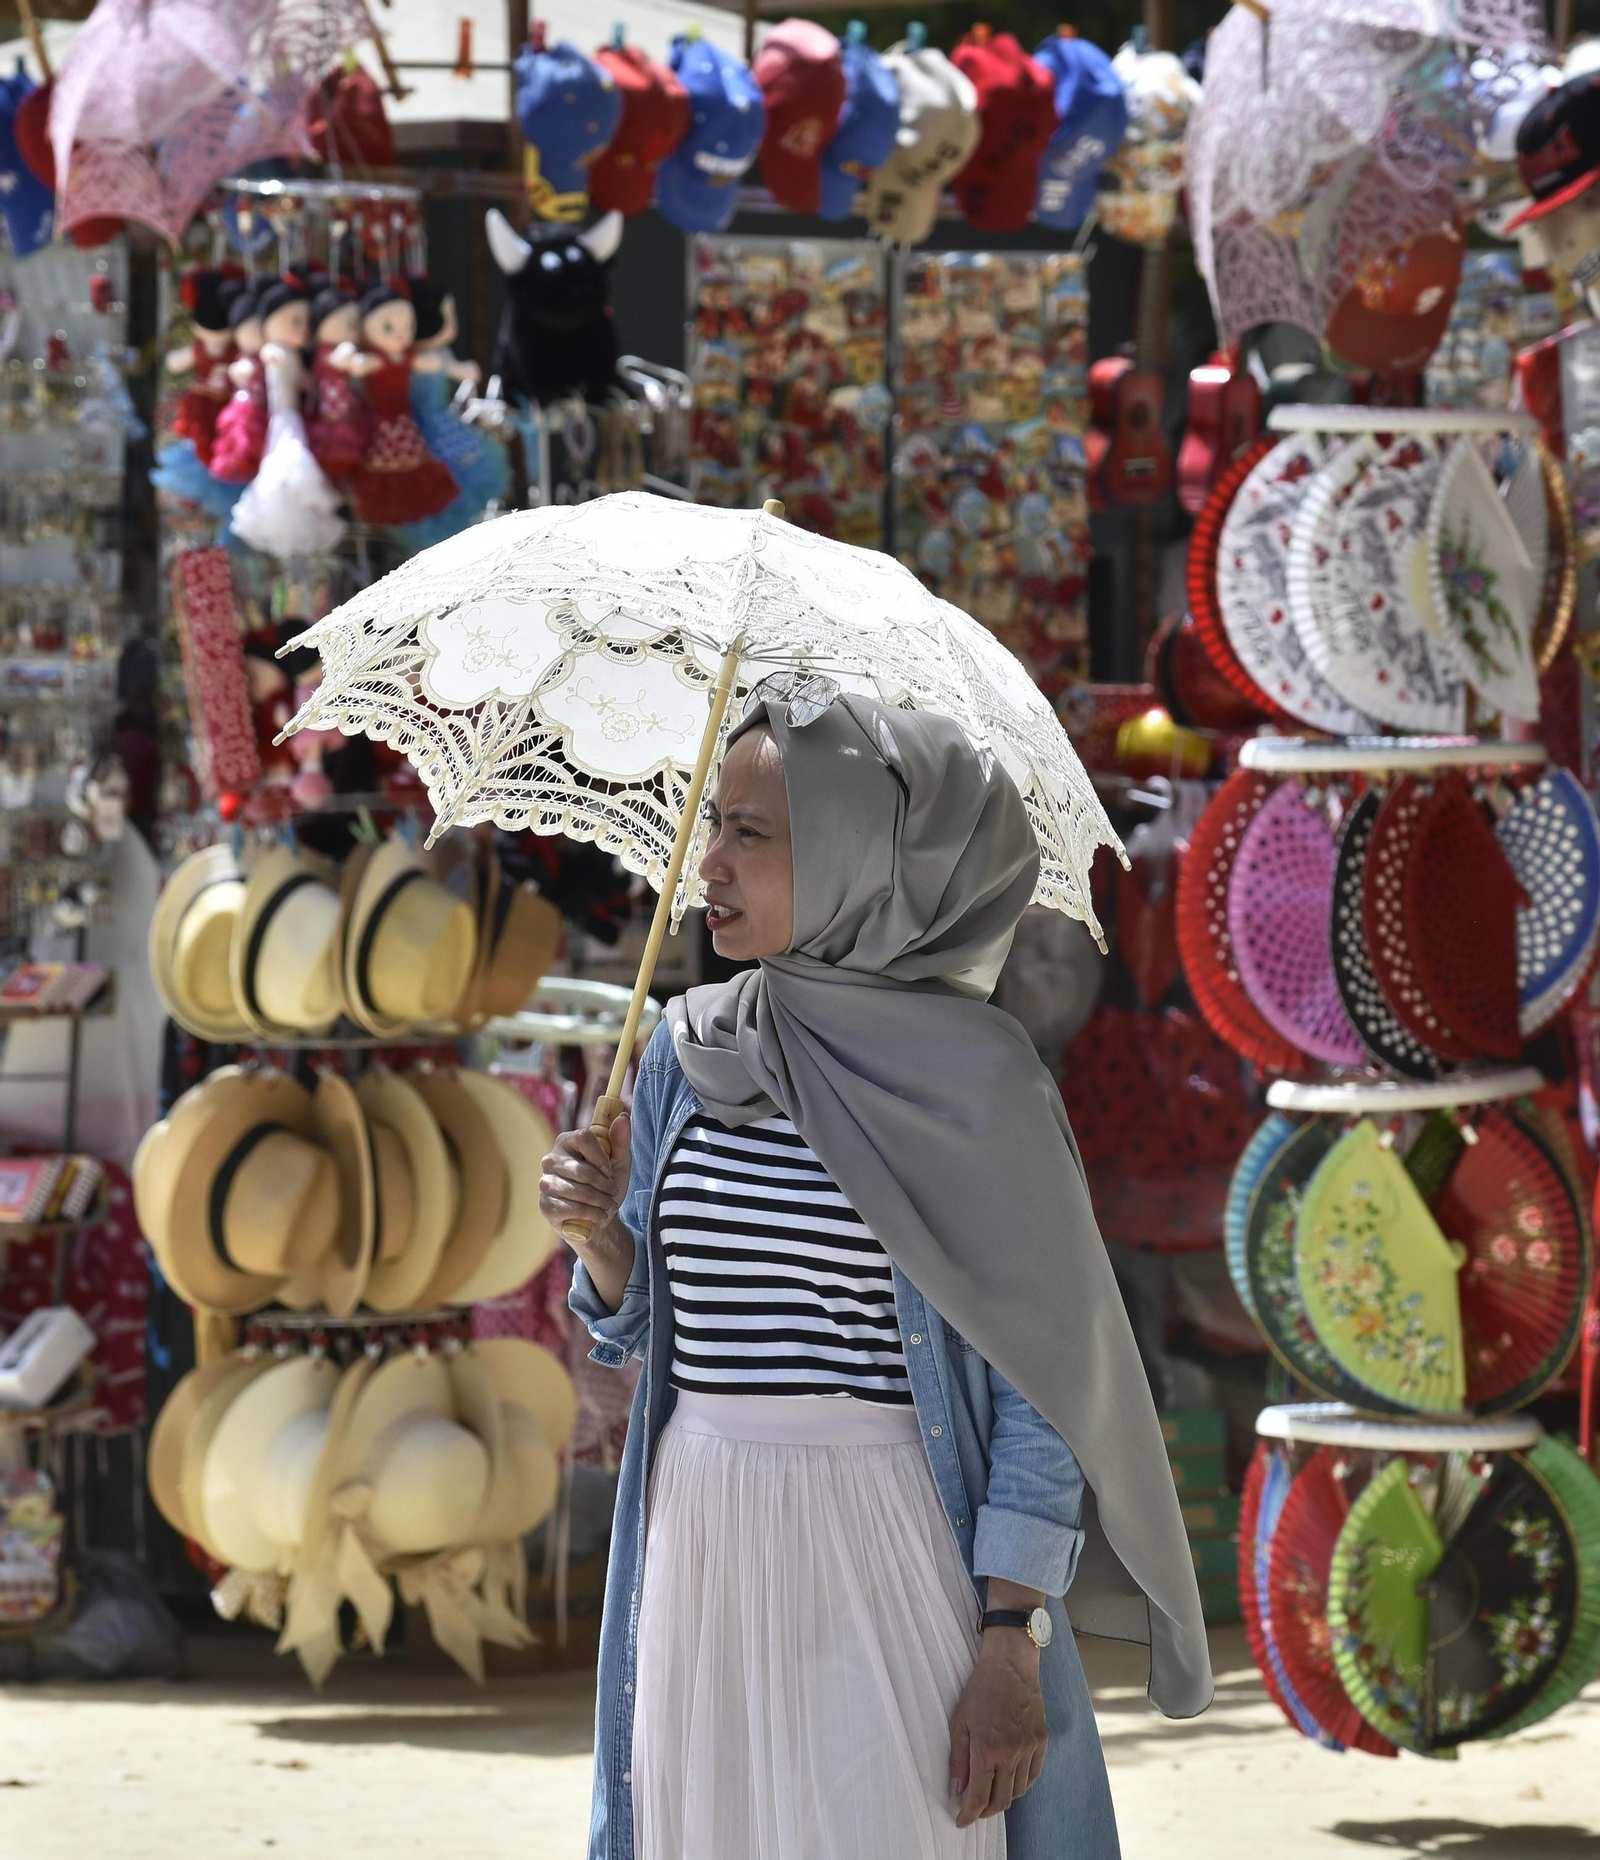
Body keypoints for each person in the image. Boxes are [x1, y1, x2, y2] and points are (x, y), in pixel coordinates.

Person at [540, 693, 1210, 1860]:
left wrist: (1009, 1633)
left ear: (856, 853)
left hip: (889, 1543)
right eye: (713, 825)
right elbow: (650, 1321)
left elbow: (1044, 1390)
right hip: (701, 1539)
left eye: (753, 833)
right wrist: (602, 1237)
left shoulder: (974, 1089)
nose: (712, 864)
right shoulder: (687, 1052)